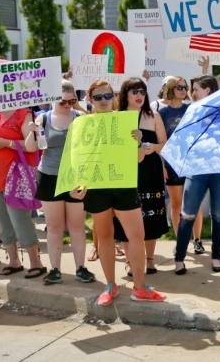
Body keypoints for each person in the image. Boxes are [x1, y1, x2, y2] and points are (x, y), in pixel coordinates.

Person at [68, 80, 165, 304]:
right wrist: (75, 184)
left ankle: (139, 288)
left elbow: (139, 159)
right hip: (97, 188)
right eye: (98, 97)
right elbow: (76, 158)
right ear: (90, 100)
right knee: (104, 237)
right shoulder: (83, 124)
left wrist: (139, 143)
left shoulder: (125, 122)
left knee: (136, 237)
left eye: (107, 96)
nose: (104, 101)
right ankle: (110, 286)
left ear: (114, 98)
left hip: (124, 186)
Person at [26, 80, 94, 285]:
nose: (67, 105)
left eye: (71, 101)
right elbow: (31, 147)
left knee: (77, 226)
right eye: (63, 101)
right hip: (49, 176)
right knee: (54, 227)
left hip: (76, 178)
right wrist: (33, 130)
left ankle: (81, 268)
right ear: (54, 99)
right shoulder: (43, 118)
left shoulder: (80, 117)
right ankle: (55, 269)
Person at [0, 107, 45, 278]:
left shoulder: (24, 114)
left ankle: (36, 262)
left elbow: (31, 145)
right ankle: (14, 261)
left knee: (20, 220)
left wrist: (7, 143)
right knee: (3, 222)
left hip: (14, 177)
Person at [175, 75, 220, 274]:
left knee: (218, 215)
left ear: (207, 90)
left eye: (196, 89)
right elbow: (184, 137)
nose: (192, 93)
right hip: (196, 169)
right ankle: (179, 259)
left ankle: (216, 257)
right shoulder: (192, 110)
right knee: (187, 214)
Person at [117, 77, 169, 276]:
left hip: (150, 170)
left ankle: (149, 259)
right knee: (126, 216)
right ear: (125, 94)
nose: (139, 95)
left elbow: (164, 143)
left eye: (142, 91)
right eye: (134, 91)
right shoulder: (118, 116)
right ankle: (130, 261)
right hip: (125, 171)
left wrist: (151, 148)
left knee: (151, 214)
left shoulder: (153, 115)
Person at [159, 76, 205, 252]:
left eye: (185, 87)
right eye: (179, 87)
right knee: (176, 204)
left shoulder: (192, 109)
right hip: (172, 164)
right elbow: (161, 142)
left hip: (192, 163)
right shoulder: (162, 113)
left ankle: (197, 240)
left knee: (195, 203)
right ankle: (180, 242)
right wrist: (162, 165)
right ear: (171, 88)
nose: (184, 89)